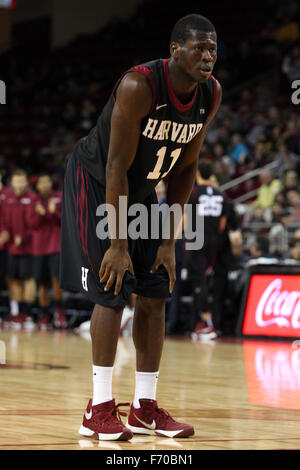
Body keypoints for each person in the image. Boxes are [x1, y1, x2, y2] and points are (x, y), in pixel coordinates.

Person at [60, 14, 221, 441]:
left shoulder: (211, 93)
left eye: (212, 49)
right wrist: (118, 242)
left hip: (144, 187)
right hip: (97, 180)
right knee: (113, 287)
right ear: (174, 51)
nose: (208, 56)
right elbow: (115, 165)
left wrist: (169, 241)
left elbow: (187, 167)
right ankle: (97, 409)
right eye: (199, 48)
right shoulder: (139, 85)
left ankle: (144, 409)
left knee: (156, 289)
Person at [187, 158, 227, 341]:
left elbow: (186, 218)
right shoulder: (221, 194)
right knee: (204, 280)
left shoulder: (194, 192)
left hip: (197, 239)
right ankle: (199, 323)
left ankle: (206, 323)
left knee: (199, 282)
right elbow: (222, 224)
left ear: (197, 174)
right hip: (214, 242)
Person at [0, 169, 36, 330]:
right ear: (12, 182)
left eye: (22, 181)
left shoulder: (32, 198)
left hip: (28, 247)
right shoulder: (6, 199)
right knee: (12, 279)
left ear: (26, 182)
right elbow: (2, 220)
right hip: (11, 247)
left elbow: (35, 224)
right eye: (17, 180)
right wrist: (5, 232)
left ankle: (27, 313)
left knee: (28, 279)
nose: (20, 184)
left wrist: (24, 235)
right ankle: (16, 313)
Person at [30, 174, 65, 330]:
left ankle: (59, 312)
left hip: (55, 247)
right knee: (42, 283)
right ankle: (45, 315)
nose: (44, 184)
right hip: (38, 249)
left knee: (56, 281)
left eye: (47, 181)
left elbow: (65, 220)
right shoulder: (33, 201)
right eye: (41, 182)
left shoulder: (59, 197)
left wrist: (53, 212)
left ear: (51, 183)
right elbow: (32, 224)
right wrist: (39, 214)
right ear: (38, 186)